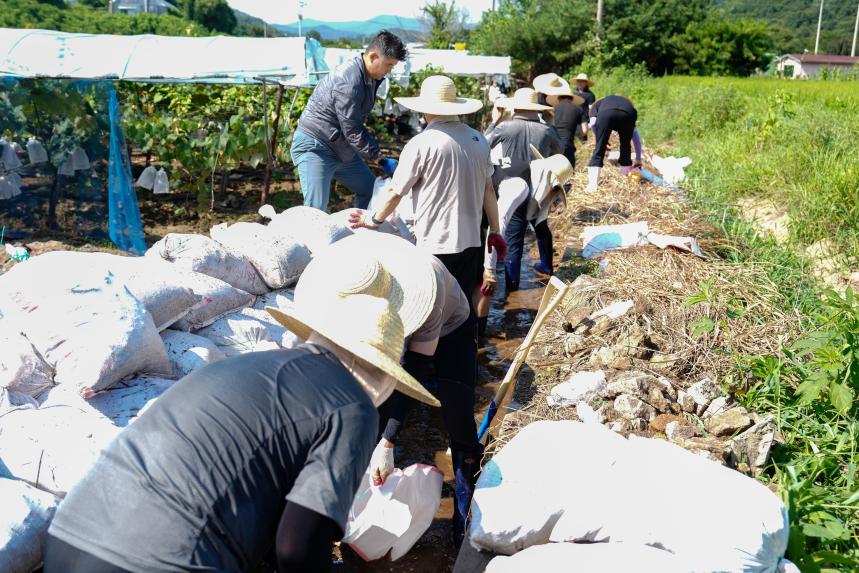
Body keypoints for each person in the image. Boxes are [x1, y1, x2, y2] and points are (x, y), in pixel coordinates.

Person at [44, 274, 439, 573]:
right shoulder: (351, 407)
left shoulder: (245, 366)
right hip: (162, 559)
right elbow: (298, 550)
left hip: (69, 539)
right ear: (381, 372)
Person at [307, 232, 480, 547]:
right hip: (383, 329)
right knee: (373, 409)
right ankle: (357, 505)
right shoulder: (352, 281)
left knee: (457, 414)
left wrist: (388, 442)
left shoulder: (429, 286)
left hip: (452, 327)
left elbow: (414, 369)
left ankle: (466, 510)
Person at [351, 75, 506, 319]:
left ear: (425, 110)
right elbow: (488, 190)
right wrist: (495, 231)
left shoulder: (422, 143)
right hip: (471, 244)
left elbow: (395, 191)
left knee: (433, 314)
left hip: (436, 244)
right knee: (463, 311)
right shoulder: (478, 140)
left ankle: (432, 356)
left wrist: (374, 220)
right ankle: (467, 355)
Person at [291, 30, 406, 212]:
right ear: (373, 56)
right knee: (315, 208)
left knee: (369, 189)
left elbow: (354, 125)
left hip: (339, 145)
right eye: (389, 65)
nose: (389, 71)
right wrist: (381, 160)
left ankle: (361, 230)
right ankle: (308, 240)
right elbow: (352, 130)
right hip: (316, 146)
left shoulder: (368, 78)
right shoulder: (349, 81)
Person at [484, 87, 561, 281]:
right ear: (537, 109)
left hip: (513, 185)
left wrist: (494, 121)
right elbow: (560, 150)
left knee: (514, 237)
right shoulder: (546, 130)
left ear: (514, 109)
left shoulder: (505, 127)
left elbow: (483, 144)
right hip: (539, 186)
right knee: (541, 226)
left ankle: (512, 285)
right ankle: (546, 267)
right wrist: (551, 123)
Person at [503, 151, 574, 291]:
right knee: (534, 229)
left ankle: (512, 287)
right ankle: (544, 269)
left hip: (525, 192)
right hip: (521, 193)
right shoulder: (544, 183)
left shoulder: (536, 169)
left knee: (515, 240)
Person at [587, 95, 642, 193]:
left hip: (606, 114)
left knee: (599, 149)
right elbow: (636, 140)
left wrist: (601, 140)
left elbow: (592, 123)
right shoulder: (629, 106)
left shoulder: (597, 105)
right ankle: (624, 183)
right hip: (627, 114)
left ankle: (592, 186)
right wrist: (638, 159)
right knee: (626, 147)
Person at [534, 73, 587, 169]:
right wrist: (575, 131)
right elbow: (584, 132)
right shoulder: (579, 109)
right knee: (568, 176)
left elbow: (548, 126)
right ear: (572, 98)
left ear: (558, 98)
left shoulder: (552, 109)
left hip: (553, 145)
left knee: (554, 175)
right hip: (569, 146)